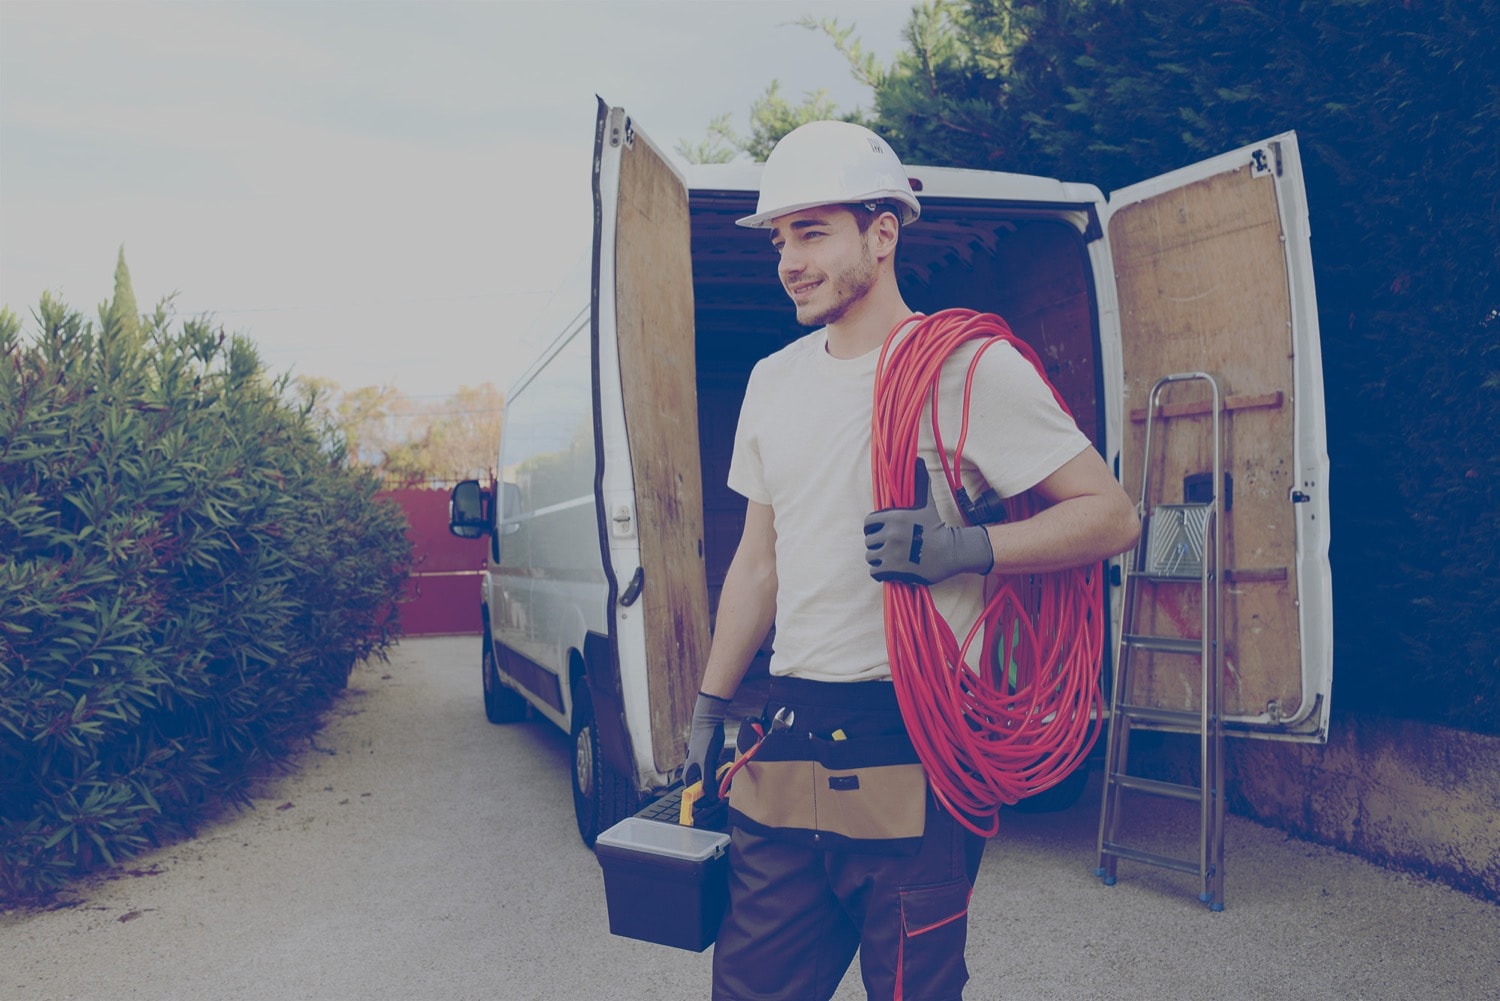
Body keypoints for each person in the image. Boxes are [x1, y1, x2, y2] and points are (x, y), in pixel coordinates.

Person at [684, 120, 1140, 1001]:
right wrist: (710, 701)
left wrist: (965, 547)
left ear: (882, 231)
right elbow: (757, 563)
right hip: (789, 729)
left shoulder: (966, 368)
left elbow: (1110, 514)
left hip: (915, 739)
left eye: (812, 232)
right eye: (781, 239)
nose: (789, 261)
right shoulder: (771, 382)